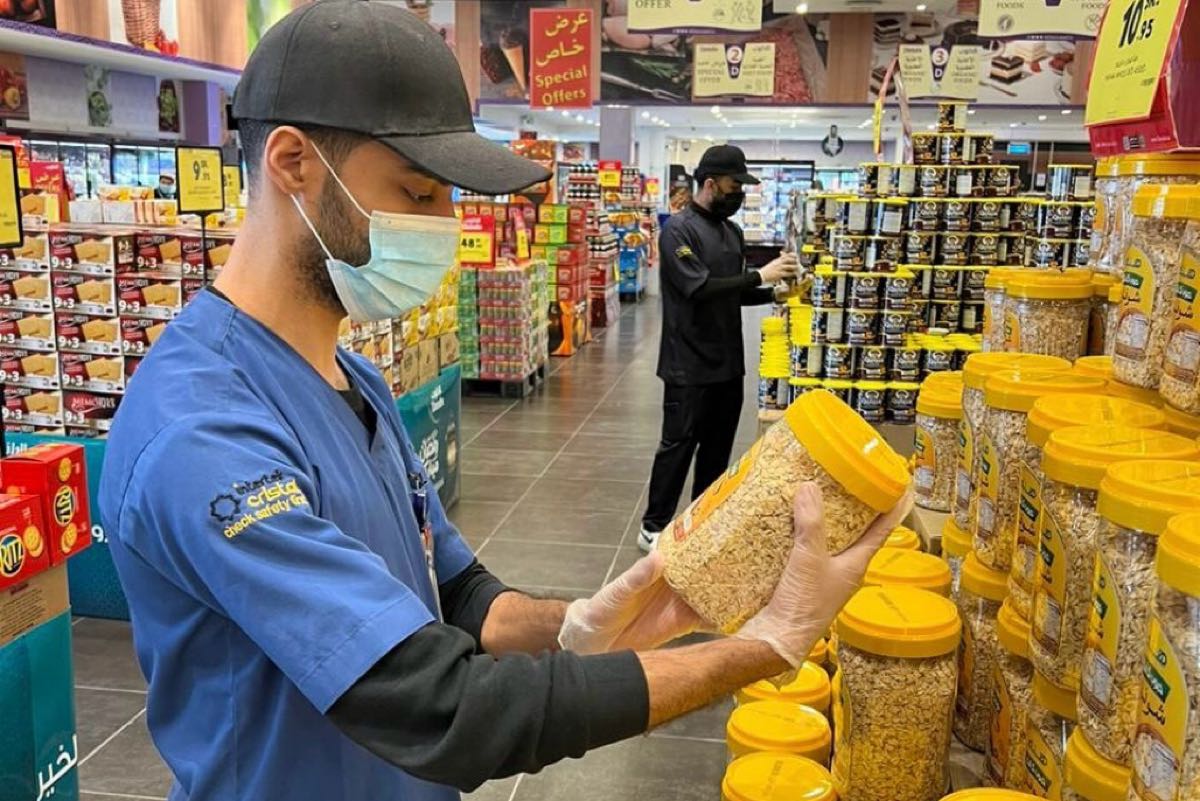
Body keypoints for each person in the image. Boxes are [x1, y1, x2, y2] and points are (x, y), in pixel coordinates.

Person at [98, 4, 906, 800]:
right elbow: (441, 706)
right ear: (292, 163)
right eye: (419, 193)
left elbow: (454, 594)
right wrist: (764, 645)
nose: (447, 226)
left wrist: (580, 621)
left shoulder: (357, 379)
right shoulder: (200, 431)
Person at [639, 145, 799, 552]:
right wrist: (760, 275)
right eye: (734, 186)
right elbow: (698, 288)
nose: (739, 193)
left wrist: (773, 294)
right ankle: (654, 526)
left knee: (717, 450)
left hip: (727, 362)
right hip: (687, 362)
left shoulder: (732, 232)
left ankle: (702, 519)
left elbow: (731, 293)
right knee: (678, 447)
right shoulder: (678, 231)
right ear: (710, 183)